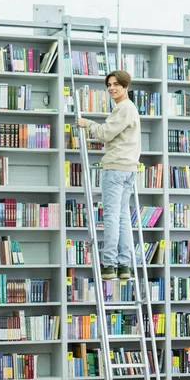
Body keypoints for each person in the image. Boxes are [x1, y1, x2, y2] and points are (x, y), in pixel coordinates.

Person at [77, 70, 140, 280]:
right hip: (129, 169)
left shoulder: (124, 108)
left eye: (116, 84)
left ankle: (109, 265)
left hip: (115, 168)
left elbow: (105, 134)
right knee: (122, 217)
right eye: (109, 84)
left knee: (111, 217)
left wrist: (87, 124)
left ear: (126, 87)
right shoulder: (129, 109)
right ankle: (124, 266)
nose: (111, 88)